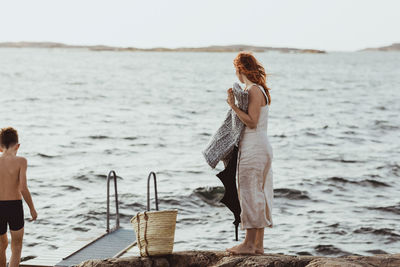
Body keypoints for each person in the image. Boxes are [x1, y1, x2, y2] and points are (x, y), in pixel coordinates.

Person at [226, 52, 273, 255]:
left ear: (240, 70)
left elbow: (252, 121)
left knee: (249, 193)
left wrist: (233, 106)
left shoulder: (254, 90)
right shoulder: (259, 89)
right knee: (259, 193)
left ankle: (248, 244)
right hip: (261, 145)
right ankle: (258, 245)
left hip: (254, 146)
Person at [0, 127, 37, 267]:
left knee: (0, 246)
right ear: (18, 146)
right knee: (16, 247)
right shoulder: (21, 161)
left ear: (0, 147)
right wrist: (32, 209)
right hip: (14, 207)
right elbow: (22, 188)